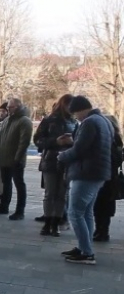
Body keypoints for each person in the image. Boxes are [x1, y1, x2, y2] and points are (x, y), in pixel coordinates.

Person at [58, 95, 112, 265]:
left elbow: (79, 150)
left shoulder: (89, 122)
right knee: (86, 212)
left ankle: (87, 252)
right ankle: (84, 246)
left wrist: (61, 156)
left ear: (81, 109)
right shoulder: (103, 120)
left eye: (75, 114)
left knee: (75, 212)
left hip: (86, 173)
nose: (75, 118)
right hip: (97, 172)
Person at [32, 94, 76, 236]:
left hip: (67, 161)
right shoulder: (49, 120)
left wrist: (71, 142)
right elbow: (38, 140)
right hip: (50, 159)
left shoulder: (75, 122)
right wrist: (56, 142)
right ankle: (48, 223)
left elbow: (80, 142)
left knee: (62, 194)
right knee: (50, 193)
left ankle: (56, 223)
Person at [0, 98, 33, 220]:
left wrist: (18, 158)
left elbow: (23, 142)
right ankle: (4, 206)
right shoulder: (7, 120)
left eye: (11, 107)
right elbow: (1, 139)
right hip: (4, 158)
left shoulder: (24, 121)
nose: (8, 109)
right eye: (8, 107)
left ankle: (20, 211)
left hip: (16, 160)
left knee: (19, 184)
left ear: (18, 107)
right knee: (6, 184)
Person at [93, 115, 123, 242]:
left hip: (107, 177)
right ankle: (101, 230)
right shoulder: (117, 140)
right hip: (110, 177)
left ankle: (102, 231)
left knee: (102, 205)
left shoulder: (113, 140)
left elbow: (115, 159)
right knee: (103, 206)